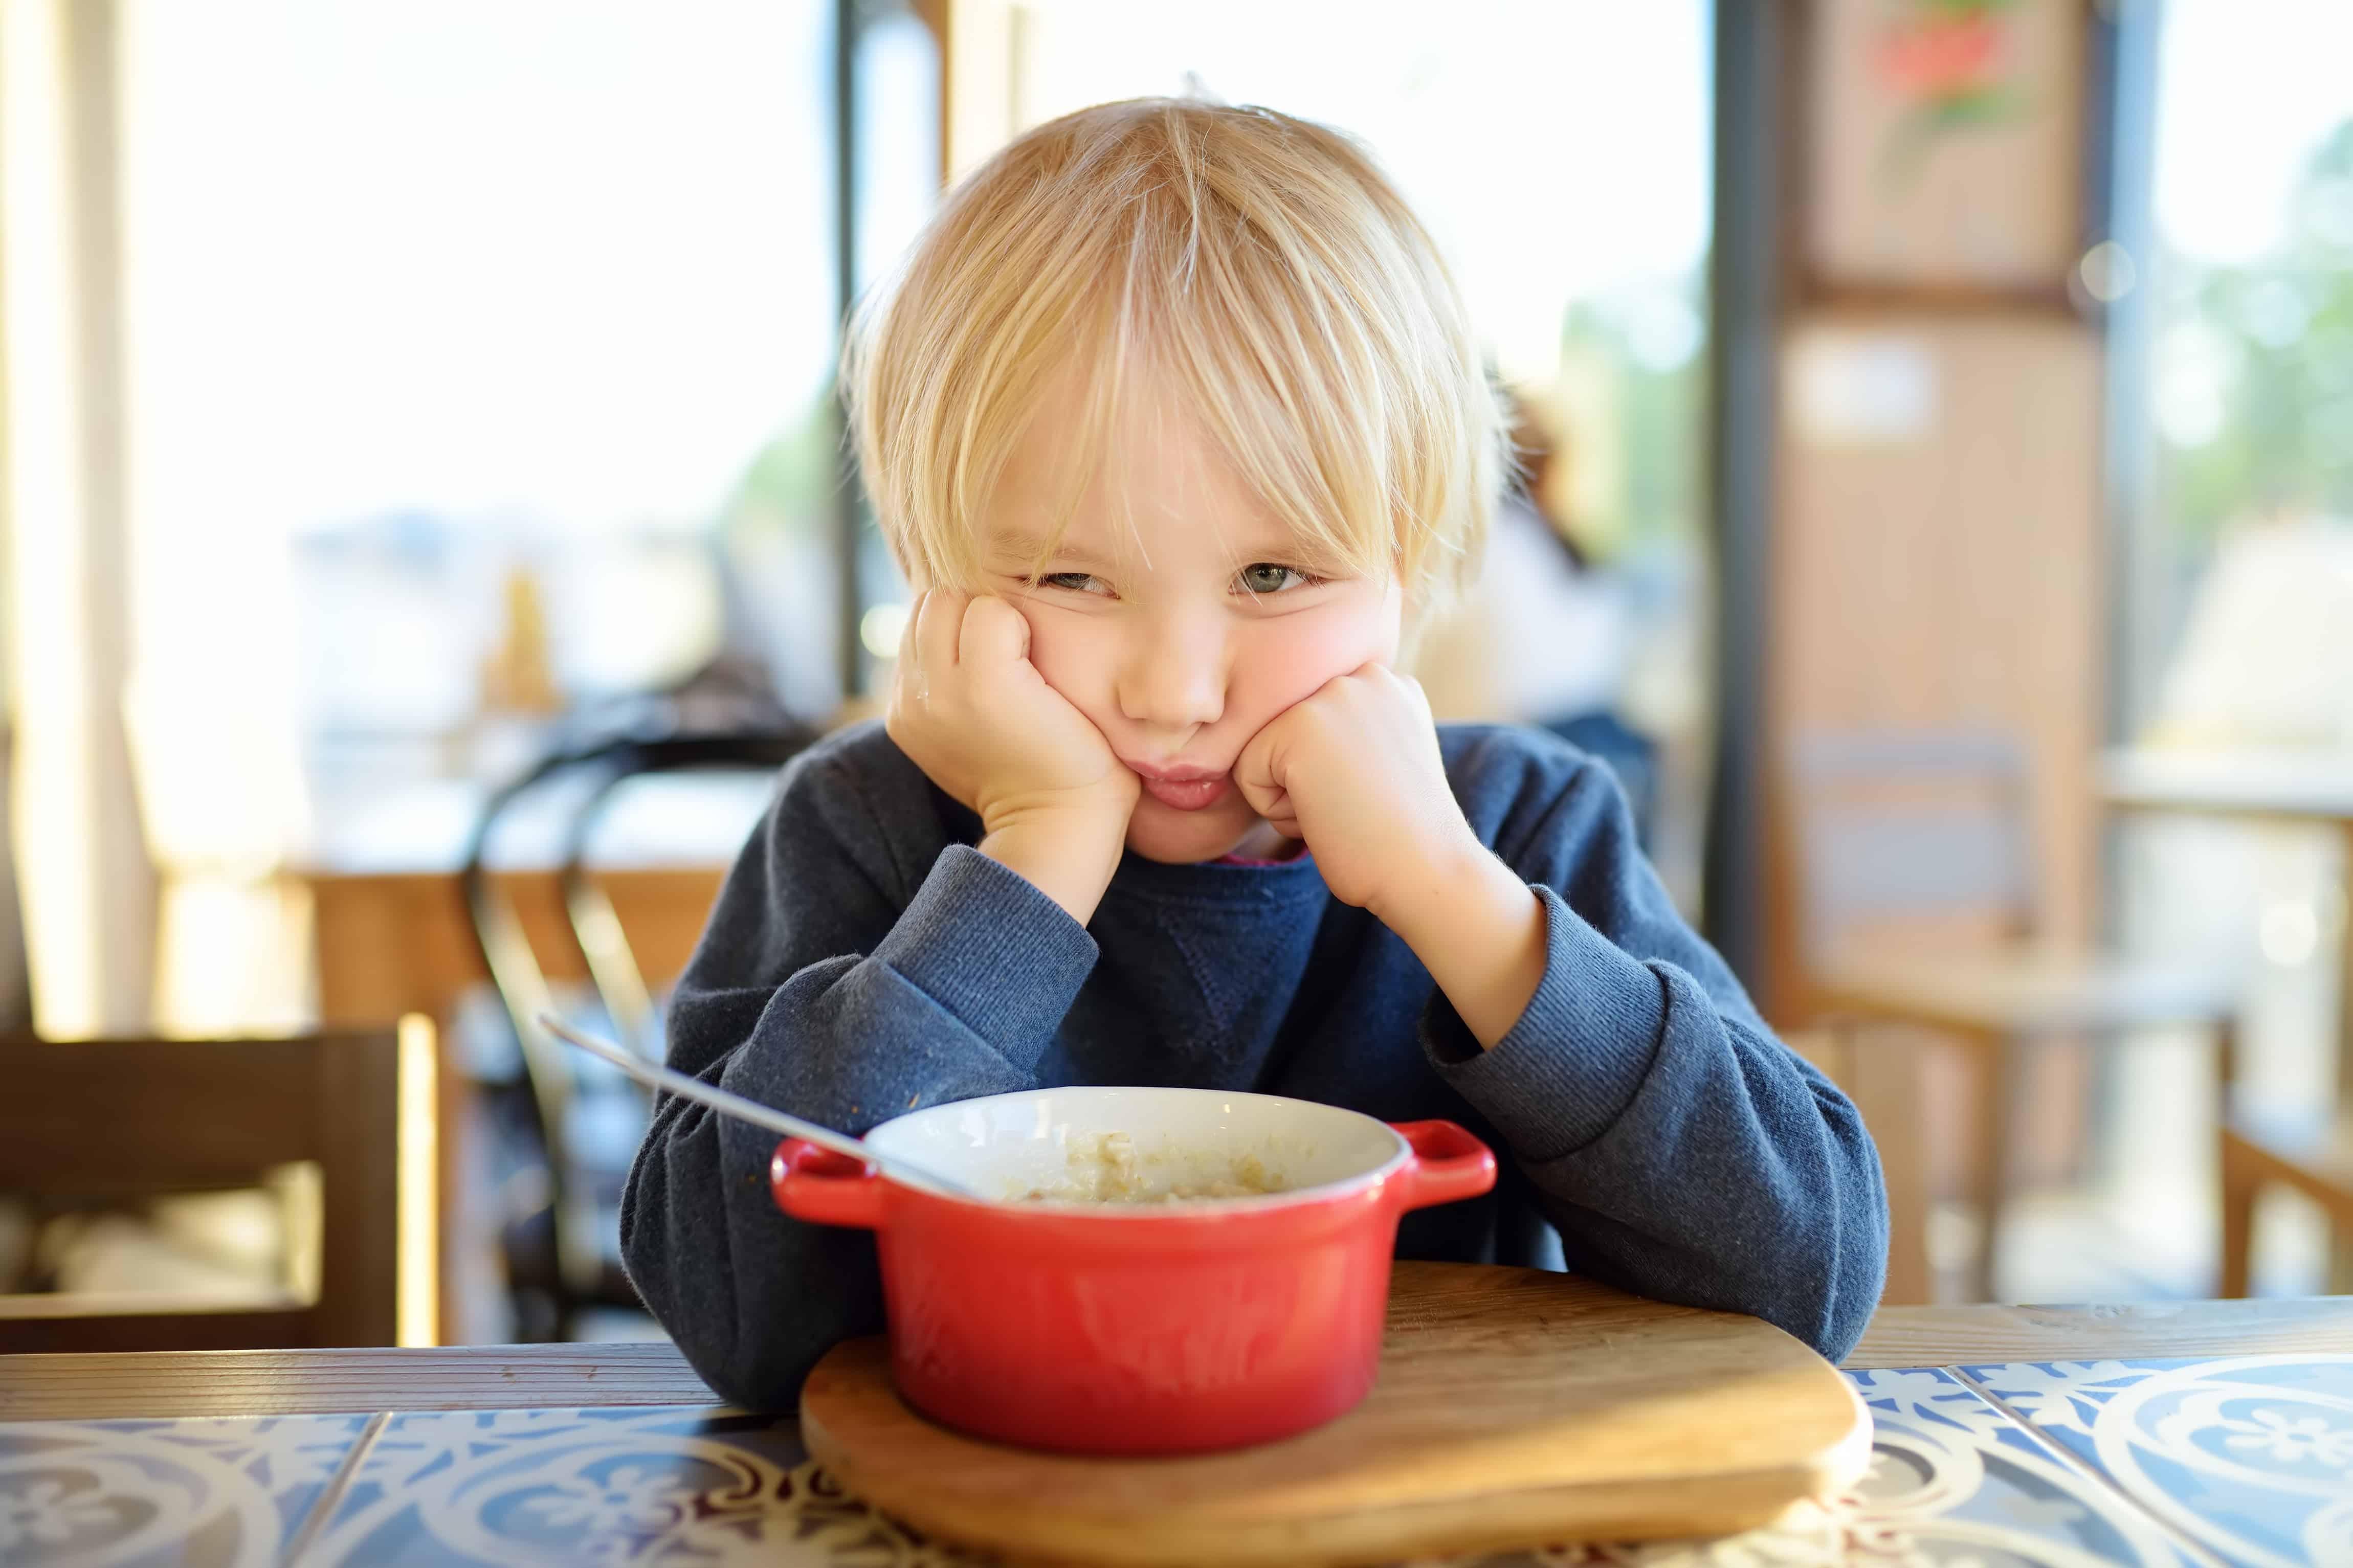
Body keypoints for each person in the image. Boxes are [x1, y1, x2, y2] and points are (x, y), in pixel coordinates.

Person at [622, 99, 1886, 1409]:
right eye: (1070, 574)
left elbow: (1808, 1278)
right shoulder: (861, 826)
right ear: (941, 572)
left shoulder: (1517, 827)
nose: (1174, 691)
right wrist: (1035, 854)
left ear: (1406, 561)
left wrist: (1456, 901)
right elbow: (729, 1316)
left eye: (1272, 574)